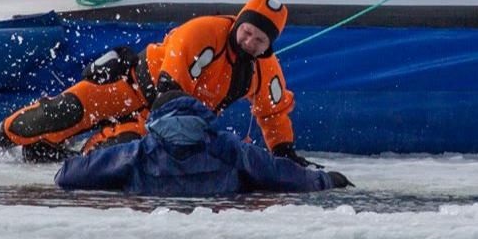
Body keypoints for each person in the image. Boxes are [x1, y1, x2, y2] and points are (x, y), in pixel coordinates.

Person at [0, 0, 317, 166]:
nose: (250, 40)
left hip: (161, 120)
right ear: (240, 23)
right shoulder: (205, 31)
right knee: (59, 113)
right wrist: (171, 96)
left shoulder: (264, 70)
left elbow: (273, 111)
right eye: (248, 31)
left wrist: (283, 151)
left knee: (118, 150)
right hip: (132, 87)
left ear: (268, 45)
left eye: (260, 39)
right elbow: (175, 61)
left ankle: (66, 154)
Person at [53, 94, 351, 196]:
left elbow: (67, 177)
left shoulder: (138, 151)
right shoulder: (227, 147)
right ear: (197, 114)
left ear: (156, 118)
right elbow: (279, 174)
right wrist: (327, 179)